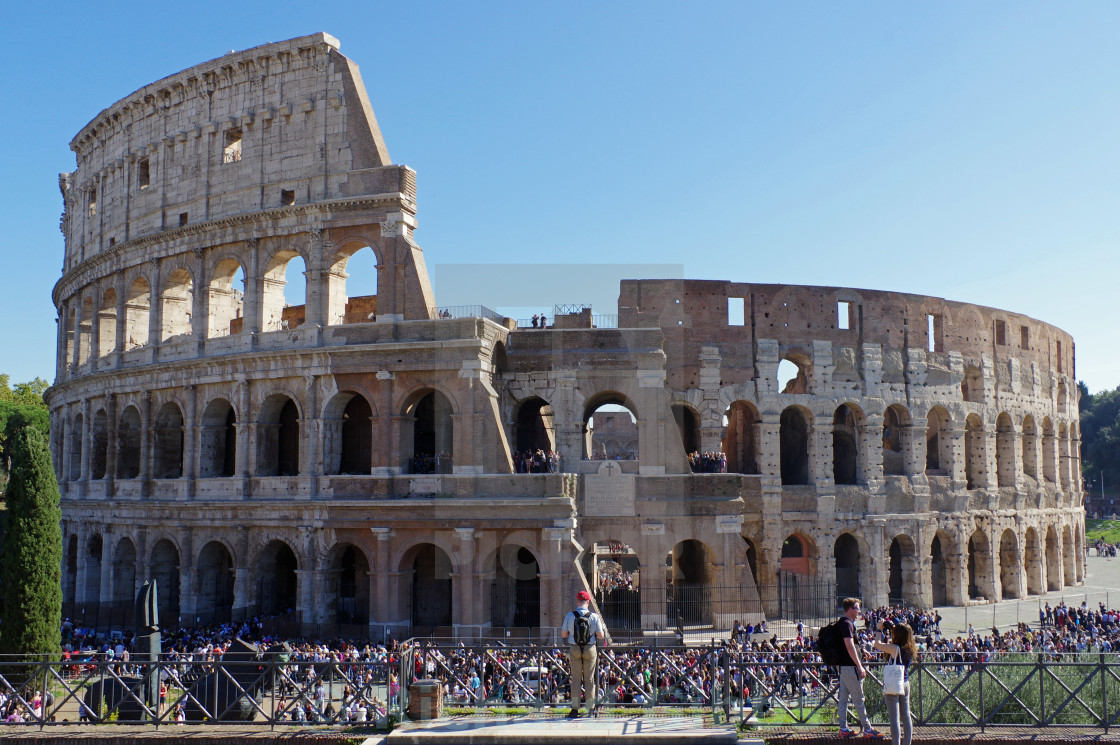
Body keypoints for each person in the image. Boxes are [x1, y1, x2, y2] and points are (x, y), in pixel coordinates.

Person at [836, 598, 882, 738]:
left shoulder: (842, 623)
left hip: (843, 667)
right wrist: (860, 666)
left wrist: (862, 651)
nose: (859, 611)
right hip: (850, 667)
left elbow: (852, 645)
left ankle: (843, 728)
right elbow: (849, 646)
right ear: (850, 609)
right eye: (857, 608)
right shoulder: (847, 624)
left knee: (843, 699)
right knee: (859, 699)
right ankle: (867, 729)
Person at [560, 589, 604, 718]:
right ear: (588, 602)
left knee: (576, 679)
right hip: (590, 649)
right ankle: (590, 708)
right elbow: (600, 636)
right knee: (589, 679)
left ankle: (575, 709)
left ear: (577, 601)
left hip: (574, 648)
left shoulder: (570, 615)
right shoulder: (594, 616)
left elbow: (563, 634)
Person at [873, 621, 916, 745]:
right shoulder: (911, 647)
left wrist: (879, 629)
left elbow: (877, 644)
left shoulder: (894, 648)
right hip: (905, 682)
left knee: (894, 719)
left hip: (894, 684)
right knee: (906, 716)